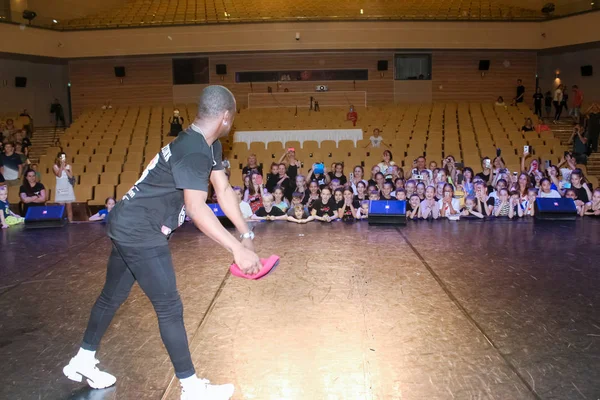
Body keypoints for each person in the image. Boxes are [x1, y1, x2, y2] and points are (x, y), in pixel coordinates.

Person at [62, 86, 260, 400]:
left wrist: (245, 235)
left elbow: (223, 191)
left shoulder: (209, 146)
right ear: (226, 117)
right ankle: (192, 387)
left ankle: (82, 360)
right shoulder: (193, 150)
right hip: (140, 230)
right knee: (169, 307)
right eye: (233, 118)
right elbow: (196, 208)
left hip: (126, 222)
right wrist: (235, 249)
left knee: (112, 296)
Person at [53, 152, 76, 222]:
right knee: (61, 208)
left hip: (68, 188)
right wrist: (61, 167)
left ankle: (71, 222)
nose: (63, 159)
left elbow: (71, 176)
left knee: (69, 208)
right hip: (60, 188)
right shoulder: (55, 166)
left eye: (64, 157)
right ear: (58, 158)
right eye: (61, 157)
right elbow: (59, 175)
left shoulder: (69, 166)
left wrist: (65, 169)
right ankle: (61, 222)